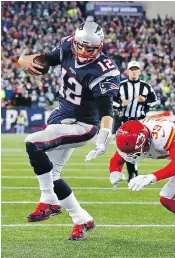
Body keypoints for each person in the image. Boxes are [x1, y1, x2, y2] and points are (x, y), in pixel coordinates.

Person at [18, 21, 120, 241]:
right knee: (52, 176)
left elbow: (106, 110)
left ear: (99, 47)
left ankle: (49, 202)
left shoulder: (104, 70)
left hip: (83, 126)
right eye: (80, 46)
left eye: (89, 49)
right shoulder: (67, 46)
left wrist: (104, 137)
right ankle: (82, 219)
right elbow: (47, 60)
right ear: (74, 42)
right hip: (61, 116)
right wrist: (25, 59)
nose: (83, 52)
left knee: (33, 142)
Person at [109, 118, 175, 231]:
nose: (131, 156)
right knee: (168, 198)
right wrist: (115, 171)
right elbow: (118, 159)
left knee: (169, 197)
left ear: (146, 141)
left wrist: (152, 177)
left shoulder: (162, 135)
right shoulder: (134, 134)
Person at [113, 61, 157, 184]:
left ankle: (133, 173)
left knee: (135, 149)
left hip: (140, 122)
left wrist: (145, 101)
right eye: (131, 69)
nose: (133, 71)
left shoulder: (146, 86)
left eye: (136, 69)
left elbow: (155, 102)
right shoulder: (120, 86)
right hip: (125, 121)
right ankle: (133, 173)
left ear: (139, 71)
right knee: (128, 148)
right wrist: (121, 104)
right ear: (127, 71)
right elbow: (111, 102)